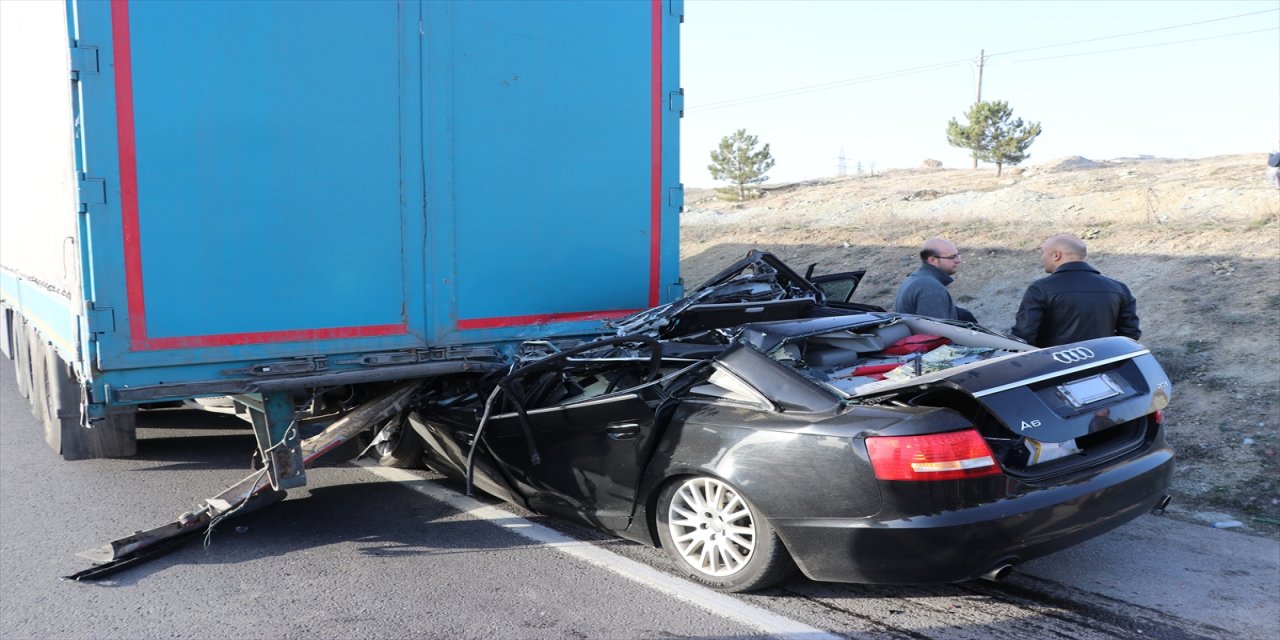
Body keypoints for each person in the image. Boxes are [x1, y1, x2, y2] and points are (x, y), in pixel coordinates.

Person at [1011, 233, 1141, 347]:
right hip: (1102, 368)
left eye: (1043, 252)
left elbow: (1024, 338)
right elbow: (1130, 335)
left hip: (1056, 368)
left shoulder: (1040, 289)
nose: (1042, 258)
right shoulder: (1118, 288)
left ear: (1056, 255)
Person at [894, 238, 976, 322]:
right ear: (932, 260)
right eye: (952, 257)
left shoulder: (916, 279)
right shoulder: (930, 288)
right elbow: (936, 332)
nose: (958, 261)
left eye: (958, 255)